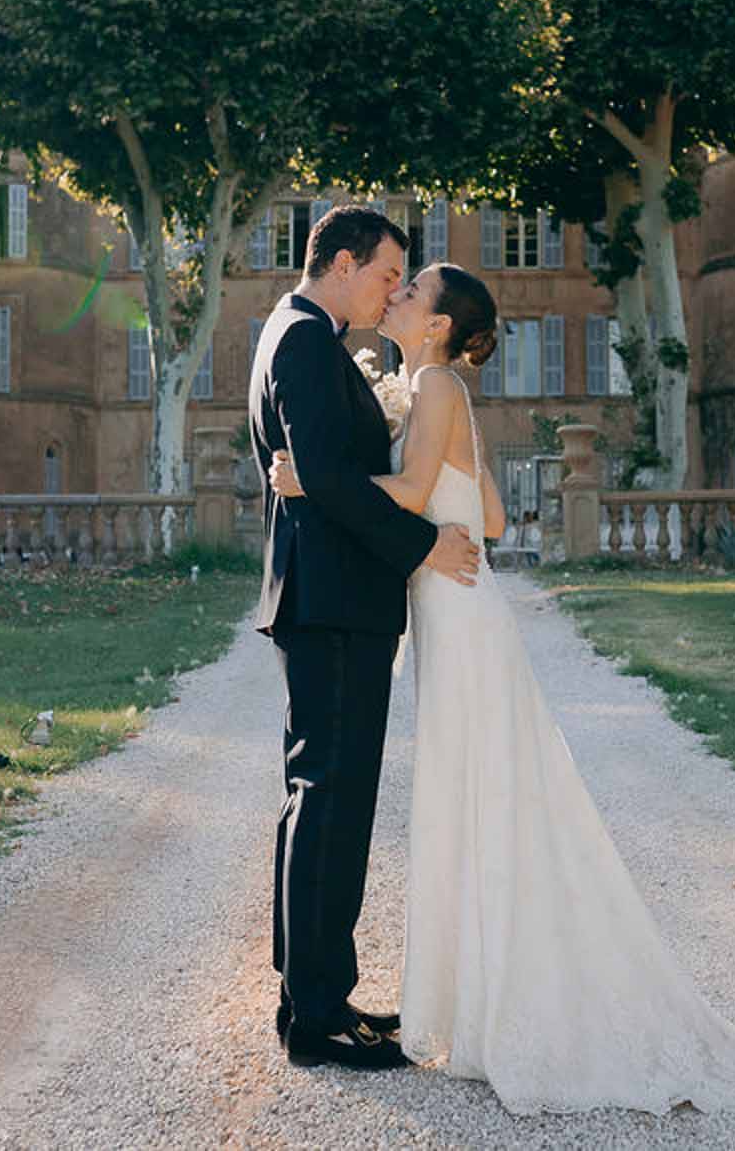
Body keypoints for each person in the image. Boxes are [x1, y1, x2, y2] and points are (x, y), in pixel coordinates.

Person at [269, 262, 735, 1114]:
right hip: (469, 608)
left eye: (411, 289)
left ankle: (504, 1007)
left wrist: (309, 481)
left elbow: (414, 493)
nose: (395, 294)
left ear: (434, 325)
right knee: (496, 795)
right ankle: (492, 996)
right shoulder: (439, 388)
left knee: (478, 797)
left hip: (457, 618)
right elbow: (492, 519)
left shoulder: (430, 386)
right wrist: (441, 523)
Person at [246, 206, 482, 1072]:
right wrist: (426, 546)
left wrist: (324, 480)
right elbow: (335, 485)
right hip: (335, 604)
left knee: (321, 799)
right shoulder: (305, 340)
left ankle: (312, 995)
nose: (391, 292)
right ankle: (315, 1014)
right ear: (342, 262)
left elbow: (322, 477)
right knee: (330, 804)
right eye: (387, 275)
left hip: (329, 600)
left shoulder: (294, 332)